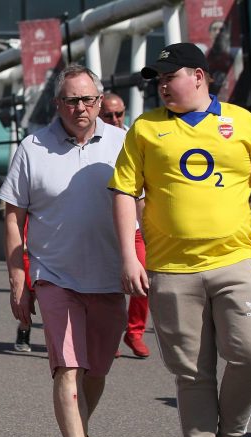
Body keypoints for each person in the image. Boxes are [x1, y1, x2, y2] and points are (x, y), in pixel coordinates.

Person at [111, 43, 251, 437]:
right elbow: (125, 190)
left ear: (198, 76)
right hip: (171, 271)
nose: (162, 85)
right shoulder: (146, 128)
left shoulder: (242, 122)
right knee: (191, 373)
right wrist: (130, 256)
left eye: (170, 76)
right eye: (157, 79)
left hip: (235, 263)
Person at [0, 64, 127, 437]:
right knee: (68, 366)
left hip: (110, 276)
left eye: (88, 99)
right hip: (54, 275)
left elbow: (145, 204)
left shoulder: (122, 142)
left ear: (99, 100)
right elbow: (13, 215)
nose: (81, 108)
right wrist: (19, 275)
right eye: (71, 100)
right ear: (58, 104)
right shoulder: (32, 147)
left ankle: (80, 432)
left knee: (98, 369)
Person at [99, 93, 150, 358]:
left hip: (135, 228)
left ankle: (135, 332)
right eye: (109, 115)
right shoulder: (91, 140)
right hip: (103, 229)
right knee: (109, 286)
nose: (115, 120)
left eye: (119, 114)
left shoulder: (134, 136)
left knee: (144, 281)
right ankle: (111, 333)